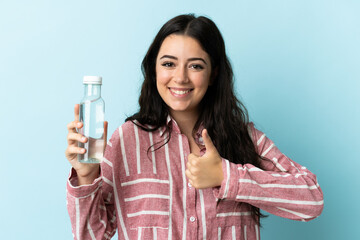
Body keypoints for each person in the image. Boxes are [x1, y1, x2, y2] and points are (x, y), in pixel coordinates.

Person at [65, 14, 324, 240]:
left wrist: (227, 176)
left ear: (213, 74)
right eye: (168, 63)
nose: (180, 77)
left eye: (195, 66)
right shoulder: (125, 141)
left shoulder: (245, 138)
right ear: (154, 70)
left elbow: (311, 200)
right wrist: (87, 177)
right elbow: (91, 236)